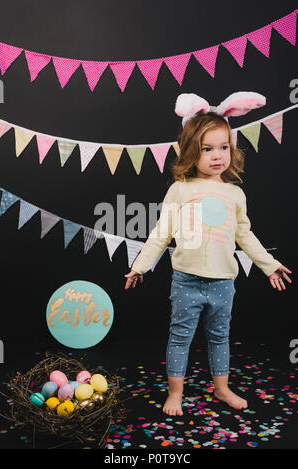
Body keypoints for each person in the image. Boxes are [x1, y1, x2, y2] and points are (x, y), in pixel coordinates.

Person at [124, 92, 292, 416]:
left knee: (220, 338)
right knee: (180, 337)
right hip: (186, 281)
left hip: (222, 283)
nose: (218, 156)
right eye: (207, 149)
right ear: (191, 151)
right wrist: (141, 266)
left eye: (224, 147)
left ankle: (222, 388)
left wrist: (268, 266)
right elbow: (162, 232)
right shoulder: (180, 189)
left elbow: (245, 235)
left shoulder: (235, 194)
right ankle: (176, 392)